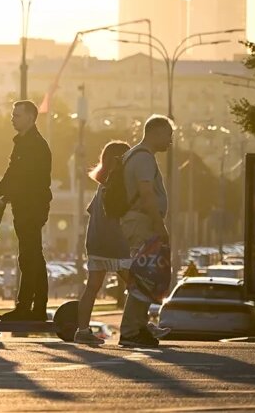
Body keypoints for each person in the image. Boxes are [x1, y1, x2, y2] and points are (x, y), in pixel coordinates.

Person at [0, 100, 52, 322]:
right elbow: (12, 174)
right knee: (29, 257)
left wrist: (4, 197)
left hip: (33, 207)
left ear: (31, 118)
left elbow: (28, 181)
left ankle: (33, 308)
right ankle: (31, 308)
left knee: (31, 257)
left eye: (18, 115)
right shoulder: (21, 143)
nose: (13, 118)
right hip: (23, 207)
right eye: (13, 115)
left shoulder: (36, 146)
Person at [118, 115, 174, 347]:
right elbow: (146, 194)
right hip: (142, 222)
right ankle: (131, 331)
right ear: (156, 132)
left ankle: (139, 328)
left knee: (144, 277)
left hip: (138, 220)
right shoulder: (144, 159)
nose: (170, 141)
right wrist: (160, 226)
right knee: (144, 277)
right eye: (168, 135)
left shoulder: (136, 155)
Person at [73, 141, 132, 345]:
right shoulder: (120, 184)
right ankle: (137, 326)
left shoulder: (102, 185)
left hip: (96, 243)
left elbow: (91, 211)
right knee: (137, 286)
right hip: (117, 245)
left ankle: (82, 329)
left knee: (92, 287)